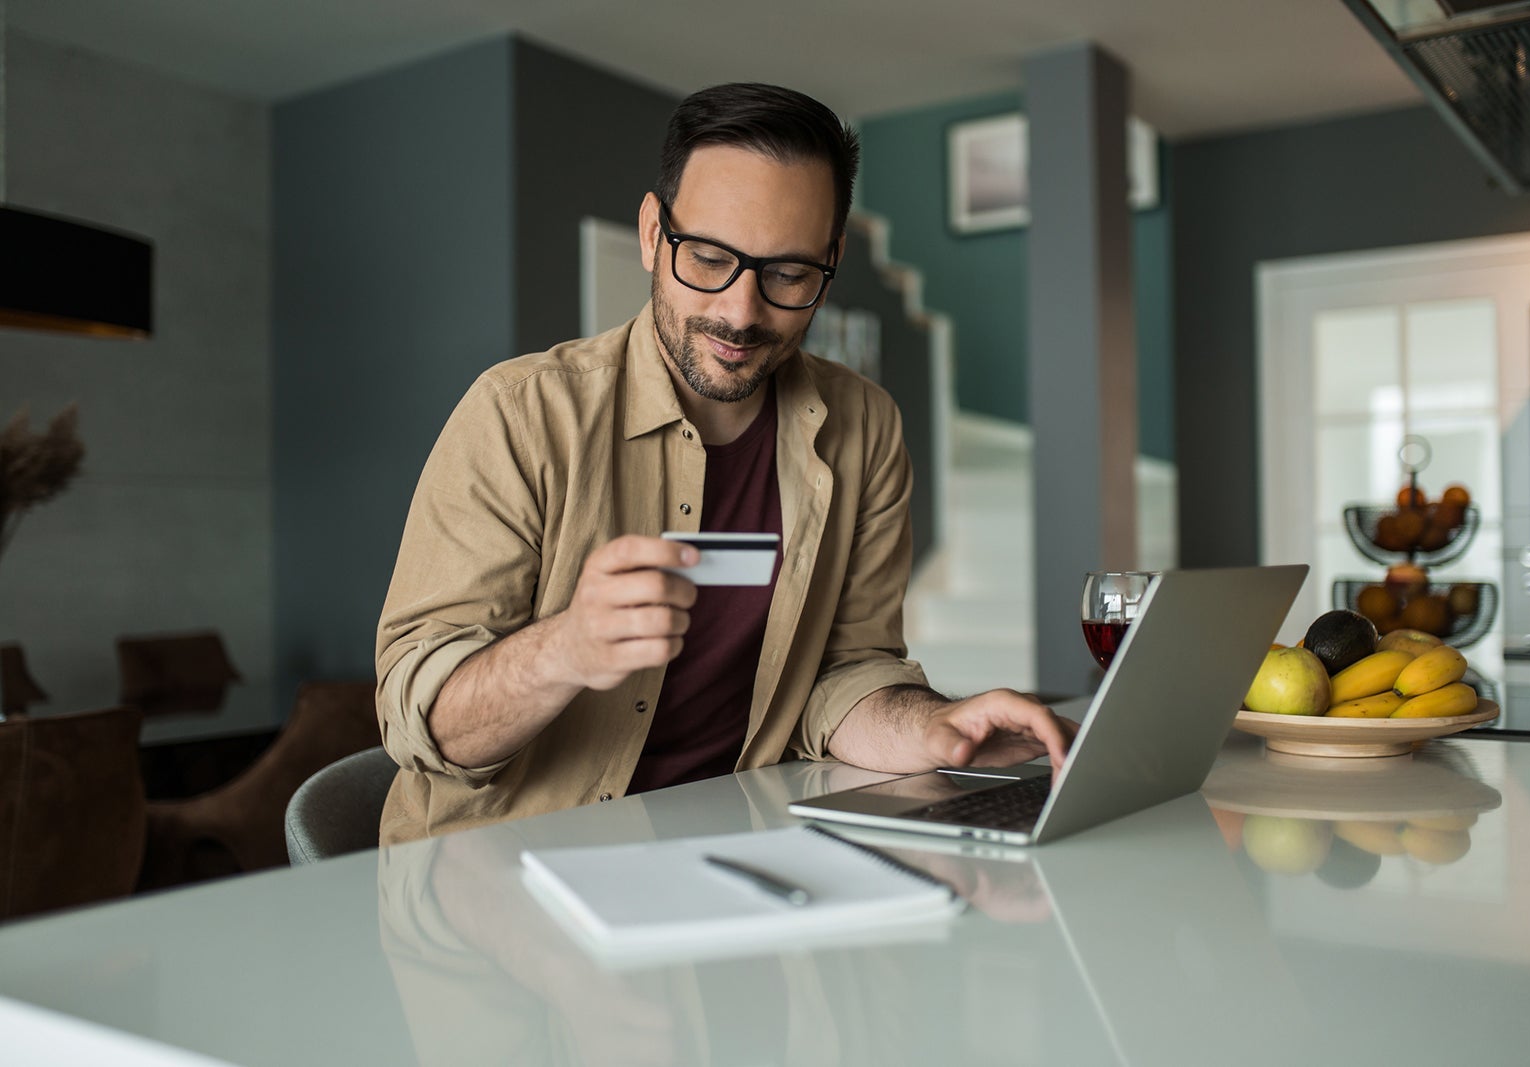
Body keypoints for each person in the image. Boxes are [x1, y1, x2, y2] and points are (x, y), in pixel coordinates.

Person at [375, 82, 1074, 844]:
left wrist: (937, 728)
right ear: (651, 234)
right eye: (708, 258)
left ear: (831, 263)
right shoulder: (519, 413)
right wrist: (566, 647)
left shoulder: (865, 426)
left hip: (736, 853)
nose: (742, 312)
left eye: (788, 274)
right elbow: (420, 720)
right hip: (503, 878)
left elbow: (845, 674)